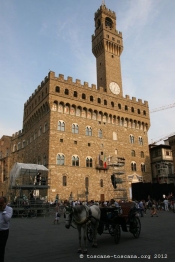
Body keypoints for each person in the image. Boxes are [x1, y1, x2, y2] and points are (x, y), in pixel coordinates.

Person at [0, 196, 13, 262]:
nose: (0, 204)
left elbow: (7, 219)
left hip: (4, 232)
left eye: (1, 203)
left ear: (5, 203)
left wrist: (3, 211)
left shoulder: (9, 209)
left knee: (1, 248)